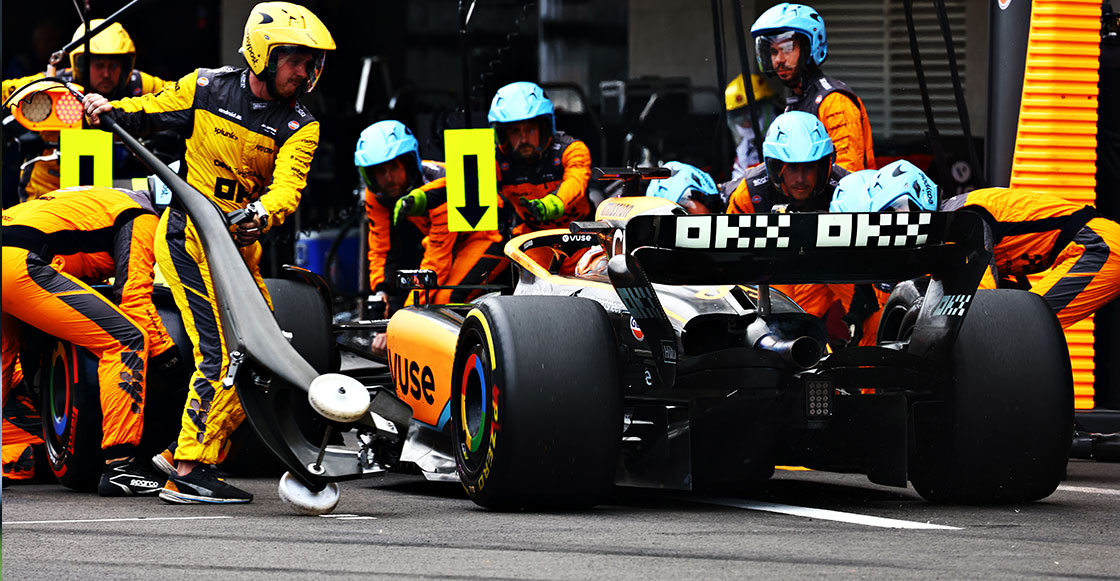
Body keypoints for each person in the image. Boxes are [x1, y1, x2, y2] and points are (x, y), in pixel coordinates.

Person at [82, 1, 336, 504]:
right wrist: (104, 107)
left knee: (265, 361)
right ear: (264, 54)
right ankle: (193, 467)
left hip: (240, 249)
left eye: (312, 64)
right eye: (297, 61)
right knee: (223, 353)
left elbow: (289, 189)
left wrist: (261, 215)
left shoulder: (302, 123)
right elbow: (145, 109)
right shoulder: (205, 86)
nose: (306, 73)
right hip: (186, 237)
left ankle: (179, 457)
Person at [2, 185, 179, 496]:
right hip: (18, 263)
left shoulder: (94, 200)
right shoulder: (142, 216)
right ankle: (121, 466)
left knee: (4, 360)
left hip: (15, 253)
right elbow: (133, 298)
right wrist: (171, 362)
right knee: (126, 339)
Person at [861, 164, 1120, 330]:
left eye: (900, 213)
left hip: (1098, 247)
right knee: (1021, 328)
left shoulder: (961, 220)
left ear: (920, 196)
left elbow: (983, 302)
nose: (899, 226)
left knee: (1019, 329)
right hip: (1093, 244)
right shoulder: (955, 217)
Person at [358, 120, 508, 354]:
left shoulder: (439, 188)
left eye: (393, 168)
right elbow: (380, 248)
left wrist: (399, 324)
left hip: (488, 236)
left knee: (447, 296)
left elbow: (436, 263)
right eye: (380, 171)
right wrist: (381, 291)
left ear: (409, 164)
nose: (388, 178)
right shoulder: (376, 195)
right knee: (421, 296)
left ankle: (459, 355)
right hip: (445, 244)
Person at [2, 20, 169, 202]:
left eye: (112, 66)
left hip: (119, 190)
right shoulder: (53, 85)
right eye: (99, 66)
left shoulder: (138, 85)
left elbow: (180, 96)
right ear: (80, 64)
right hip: (49, 190)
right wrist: (18, 128)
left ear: (125, 66)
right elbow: (5, 94)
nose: (106, 74)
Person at [751, 3, 876, 172]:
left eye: (787, 48)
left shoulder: (834, 102)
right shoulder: (797, 102)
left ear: (809, 47)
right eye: (773, 52)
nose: (778, 60)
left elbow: (848, 171)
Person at [488, 81, 593, 272]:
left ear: (544, 128)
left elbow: (576, 181)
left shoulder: (573, 149)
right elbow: (461, 185)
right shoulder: (494, 160)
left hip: (580, 236)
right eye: (515, 131)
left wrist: (552, 204)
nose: (523, 139)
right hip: (531, 237)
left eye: (530, 130)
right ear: (503, 135)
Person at [725, 111, 848, 214]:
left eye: (809, 167)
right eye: (792, 168)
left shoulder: (845, 190)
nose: (800, 179)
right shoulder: (749, 194)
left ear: (822, 167)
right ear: (775, 168)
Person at [724, 73, 782, 181]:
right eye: (738, 118)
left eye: (751, 115)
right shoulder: (743, 147)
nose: (746, 123)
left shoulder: (786, 142)